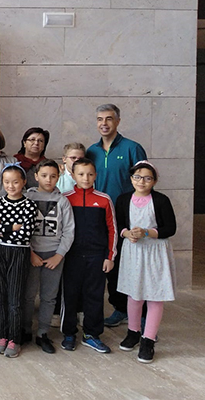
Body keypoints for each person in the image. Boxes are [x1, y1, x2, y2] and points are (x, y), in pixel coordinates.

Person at [86, 103, 148, 328]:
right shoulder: (91, 151)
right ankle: (120, 308)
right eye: (100, 119)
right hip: (99, 216)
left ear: (118, 121)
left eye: (109, 119)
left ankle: (142, 316)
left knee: (132, 264)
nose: (104, 123)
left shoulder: (132, 148)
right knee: (110, 263)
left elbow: (144, 182)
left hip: (127, 216)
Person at [116, 161, 176, 364]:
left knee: (154, 295)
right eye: (137, 177)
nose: (142, 181)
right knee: (134, 293)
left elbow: (170, 228)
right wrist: (127, 233)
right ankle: (133, 332)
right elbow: (119, 224)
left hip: (154, 251)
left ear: (155, 181)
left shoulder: (161, 200)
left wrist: (147, 232)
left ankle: (148, 340)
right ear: (131, 178)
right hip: (133, 250)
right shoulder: (124, 199)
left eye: (147, 178)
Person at [61, 158, 117, 354]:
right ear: (73, 175)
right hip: (71, 256)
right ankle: (69, 333)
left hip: (97, 256)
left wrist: (110, 256)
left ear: (96, 175)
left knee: (94, 295)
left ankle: (91, 334)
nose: (86, 178)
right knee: (70, 295)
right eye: (81, 174)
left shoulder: (104, 199)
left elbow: (112, 230)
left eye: (90, 174)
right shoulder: (65, 198)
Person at [23, 159, 75, 354]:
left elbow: (69, 231)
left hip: (54, 255)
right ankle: (25, 329)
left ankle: (43, 333)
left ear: (59, 177)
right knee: (28, 295)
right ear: (36, 176)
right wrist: (30, 252)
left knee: (48, 297)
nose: (48, 179)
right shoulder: (27, 197)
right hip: (31, 254)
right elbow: (21, 229)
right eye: (44, 176)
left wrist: (59, 255)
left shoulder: (62, 201)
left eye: (53, 176)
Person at [0, 164, 37, 358]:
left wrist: (3, 227)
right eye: (7, 182)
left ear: (23, 182)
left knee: (15, 298)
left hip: (19, 253)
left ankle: (15, 338)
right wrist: (11, 228)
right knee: (0, 298)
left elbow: (25, 233)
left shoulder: (29, 205)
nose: (11, 186)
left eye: (15, 182)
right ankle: (3, 335)